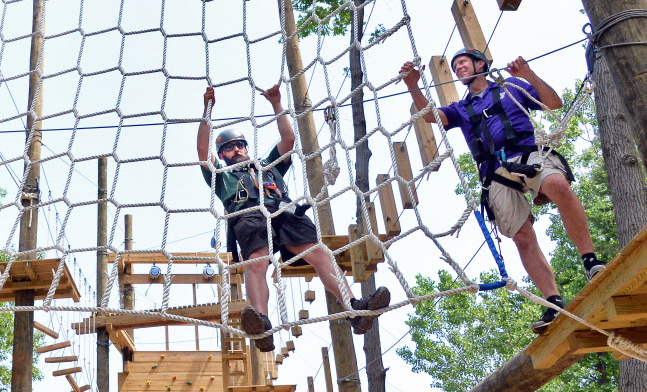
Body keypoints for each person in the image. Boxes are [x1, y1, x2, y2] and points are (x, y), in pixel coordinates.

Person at [400, 50, 605, 333]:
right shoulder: (461, 108)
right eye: (456, 65)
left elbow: (553, 103)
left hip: (526, 155)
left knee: (558, 184)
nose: (459, 67)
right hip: (493, 171)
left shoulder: (511, 88)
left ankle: (591, 260)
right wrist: (413, 85)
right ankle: (554, 302)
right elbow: (430, 116)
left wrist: (527, 74)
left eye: (463, 62)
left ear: (480, 65)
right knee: (521, 236)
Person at [197, 84, 390, 351]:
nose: (237, 150)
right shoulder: (222, 176)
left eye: (240, 145)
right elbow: (202, 152)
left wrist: (277, 104)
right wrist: (207, 110)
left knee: (320, 253)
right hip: (248, 215)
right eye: (229, 148)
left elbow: (288, 141)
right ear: (222, 156)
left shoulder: (267, 166)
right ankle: (262, 324)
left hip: (283, 211)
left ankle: (353, 310)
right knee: (257, 262)